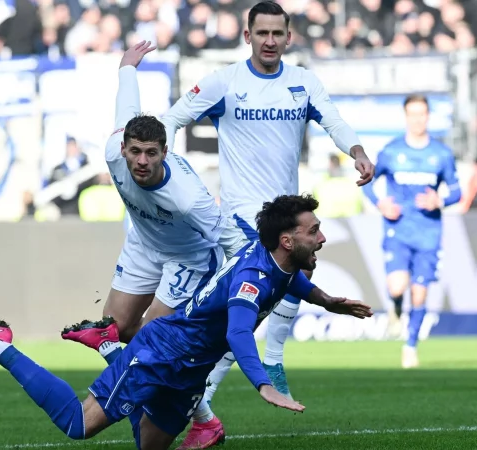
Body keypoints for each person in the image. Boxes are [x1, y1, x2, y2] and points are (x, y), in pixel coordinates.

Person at [0, 194, 374, 449]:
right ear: (287, 240)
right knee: (78, 424)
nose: (322, 237)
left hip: (190, 370)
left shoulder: (274, 259)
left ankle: (108, 345)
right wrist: (263, 384)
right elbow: (238, 331)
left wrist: (326, 301)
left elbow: (290, 280)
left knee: (149, 447)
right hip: (161, 351)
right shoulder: (251, 280)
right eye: (314, 231)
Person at [157, 2, 375, 447]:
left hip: (286, 214)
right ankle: (254, 371)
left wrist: (356, 151)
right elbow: (172, 119)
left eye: (278, 33)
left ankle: (209, 402)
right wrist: (167, 176)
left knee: (258, 303)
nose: (270, 41)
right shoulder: (224, 82)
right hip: (241, 216)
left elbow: (333, 120)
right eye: (262, 33)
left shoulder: (303, 83)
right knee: (256, 302)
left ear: (289, 37)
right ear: (248, 36)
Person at [60, 41, 249, 368]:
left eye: (151, 153)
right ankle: (180, 360)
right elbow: (127, 106)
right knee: (115, 330)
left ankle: (181, 387)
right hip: (144, 243)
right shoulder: (112, 153)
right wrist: (127, 68)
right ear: (123, 148)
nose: (142, 161)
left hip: (188, 257)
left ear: (165, 152)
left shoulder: (188, 198)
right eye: (135, 152)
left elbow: (234, 243)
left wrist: (255, 288)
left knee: (151, 339)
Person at [362, 94, 462, 369]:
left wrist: (439, 200)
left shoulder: (441, 154)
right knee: (397, 286)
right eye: (413, 114)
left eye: (422, 114)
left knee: (419, 293)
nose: (417, 119)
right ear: (406, 117)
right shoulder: (392, 151)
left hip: (428, 232)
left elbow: (457, 192)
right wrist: (380, 203)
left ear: (428, 116)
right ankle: (395, 306)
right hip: (398, 229)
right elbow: (367, 181)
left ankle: (411, 346)